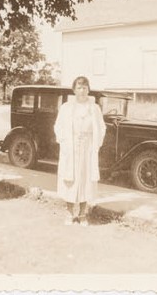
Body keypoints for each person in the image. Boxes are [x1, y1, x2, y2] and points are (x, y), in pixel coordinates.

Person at [54, 76, 106, 226]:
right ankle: (70, 214)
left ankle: (82, 215)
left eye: (84, 87)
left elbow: (101, 127)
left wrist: (96, 144)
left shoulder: (94, 108)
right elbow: (58, 126)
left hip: (87, 148)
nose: (82, 91)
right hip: (70, 148)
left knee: (85, 180)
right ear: (74, 90)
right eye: (79, 87)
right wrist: (64, 142)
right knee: (70, 180)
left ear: (88, 90)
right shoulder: (66, 107)